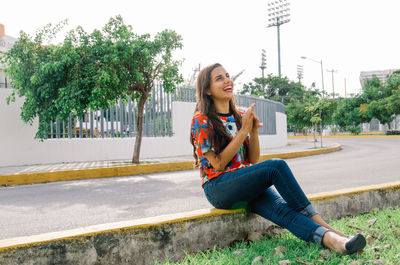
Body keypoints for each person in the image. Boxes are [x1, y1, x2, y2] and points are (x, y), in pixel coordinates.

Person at [189, 63, 366, 254]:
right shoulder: (202, 119)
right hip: (219, 188)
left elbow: (253, 161)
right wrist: (243, 132)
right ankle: (330, 228)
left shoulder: (239, 115)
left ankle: (335, 242)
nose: (227, 80)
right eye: (219, 78)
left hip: (243, 183)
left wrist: (254, 132)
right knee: (276, 166)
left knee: (283, 211)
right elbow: (218, 164)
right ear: (207, 90)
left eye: (227, 75)